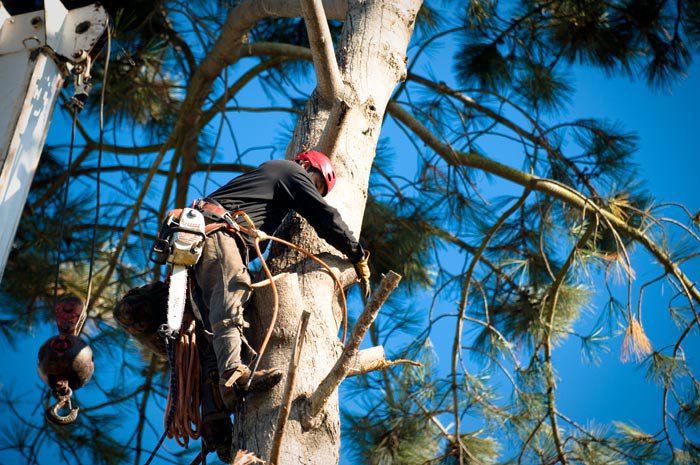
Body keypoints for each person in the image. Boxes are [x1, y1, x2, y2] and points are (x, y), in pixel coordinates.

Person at [192, 150, 371, 459]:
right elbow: (322, 216)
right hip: (219, 234)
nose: (311, 190)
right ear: (306, 166)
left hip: (204, 244)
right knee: (232, 292)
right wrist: (356, 253)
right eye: (314, 182)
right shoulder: (289, 170)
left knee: (213, 332)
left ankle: (215, 422)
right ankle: (233, 373)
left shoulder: (266, 186)